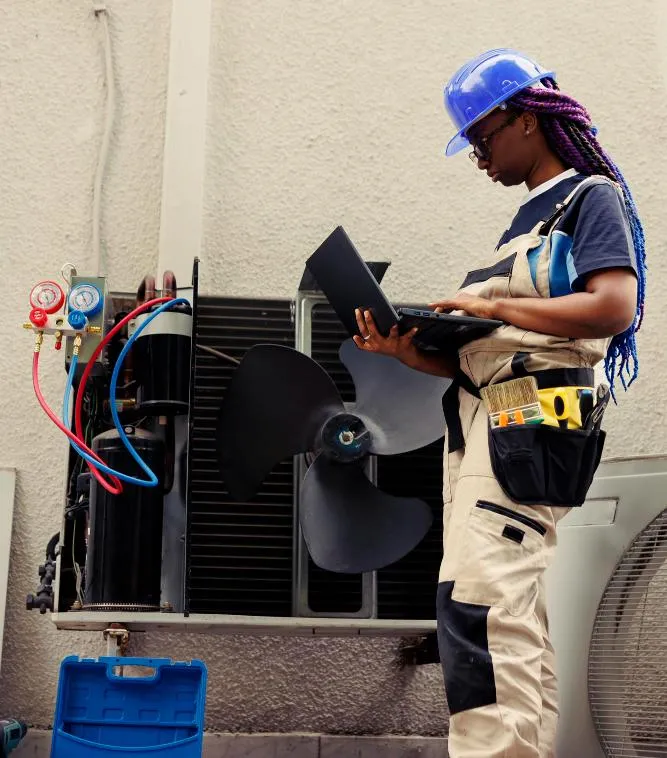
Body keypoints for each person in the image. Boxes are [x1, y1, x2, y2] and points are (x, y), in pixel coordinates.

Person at [353, 48, 644, 758]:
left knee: (477, 608)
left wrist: (488, 304)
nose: (478, 156)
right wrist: (410, 351)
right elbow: (491, 354)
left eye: (481, 136)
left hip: (529, 429)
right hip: (486, 427)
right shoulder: (522, 225)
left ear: (525, 118)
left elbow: (612, 307)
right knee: (510, 615)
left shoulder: (589, 197)